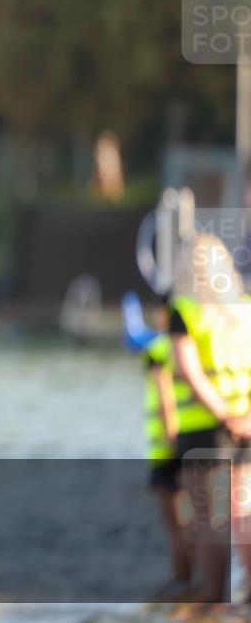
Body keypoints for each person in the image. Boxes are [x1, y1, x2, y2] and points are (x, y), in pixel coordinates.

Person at [169, 233, 251, 606]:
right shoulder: (245, 308)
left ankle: (214, 596)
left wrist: (223, 415)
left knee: (210, 518)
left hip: (206, 427)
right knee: (244, 512)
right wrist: (244, 417)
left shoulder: (185, 310)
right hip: (246, 425)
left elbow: (189, 372)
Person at [141, 329, 193, 599]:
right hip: (203, 439)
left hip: (169, 449)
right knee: (201, 520)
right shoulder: (208, 338)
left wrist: (173, 442)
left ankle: (183, 579)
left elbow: (164, 398)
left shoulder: (159, 348)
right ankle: (201, 581)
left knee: (176, 524)